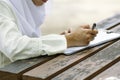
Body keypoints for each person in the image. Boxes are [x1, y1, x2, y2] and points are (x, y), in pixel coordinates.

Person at [0, 0, 98, 68]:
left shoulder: (25, 5)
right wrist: (68, 40)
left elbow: (27, 40)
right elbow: (14, 47)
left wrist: (61, 38)